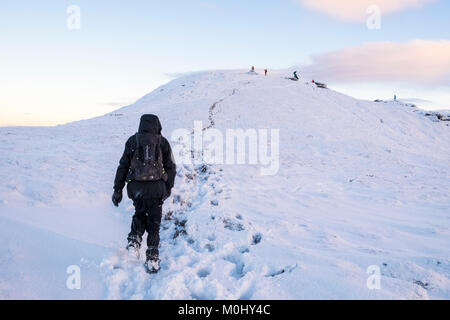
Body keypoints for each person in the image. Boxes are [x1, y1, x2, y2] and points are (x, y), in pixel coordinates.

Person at [112, 114, 176, 273]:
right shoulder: (163, 142)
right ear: (157, 125)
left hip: (137, 188)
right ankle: (152, 257)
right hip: (157, 189)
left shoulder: (132, 141)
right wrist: (168, 188)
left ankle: (134, 241)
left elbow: (123, 166)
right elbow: (171, 167)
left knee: (139, 213)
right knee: (154, 223)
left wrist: (117, 189)